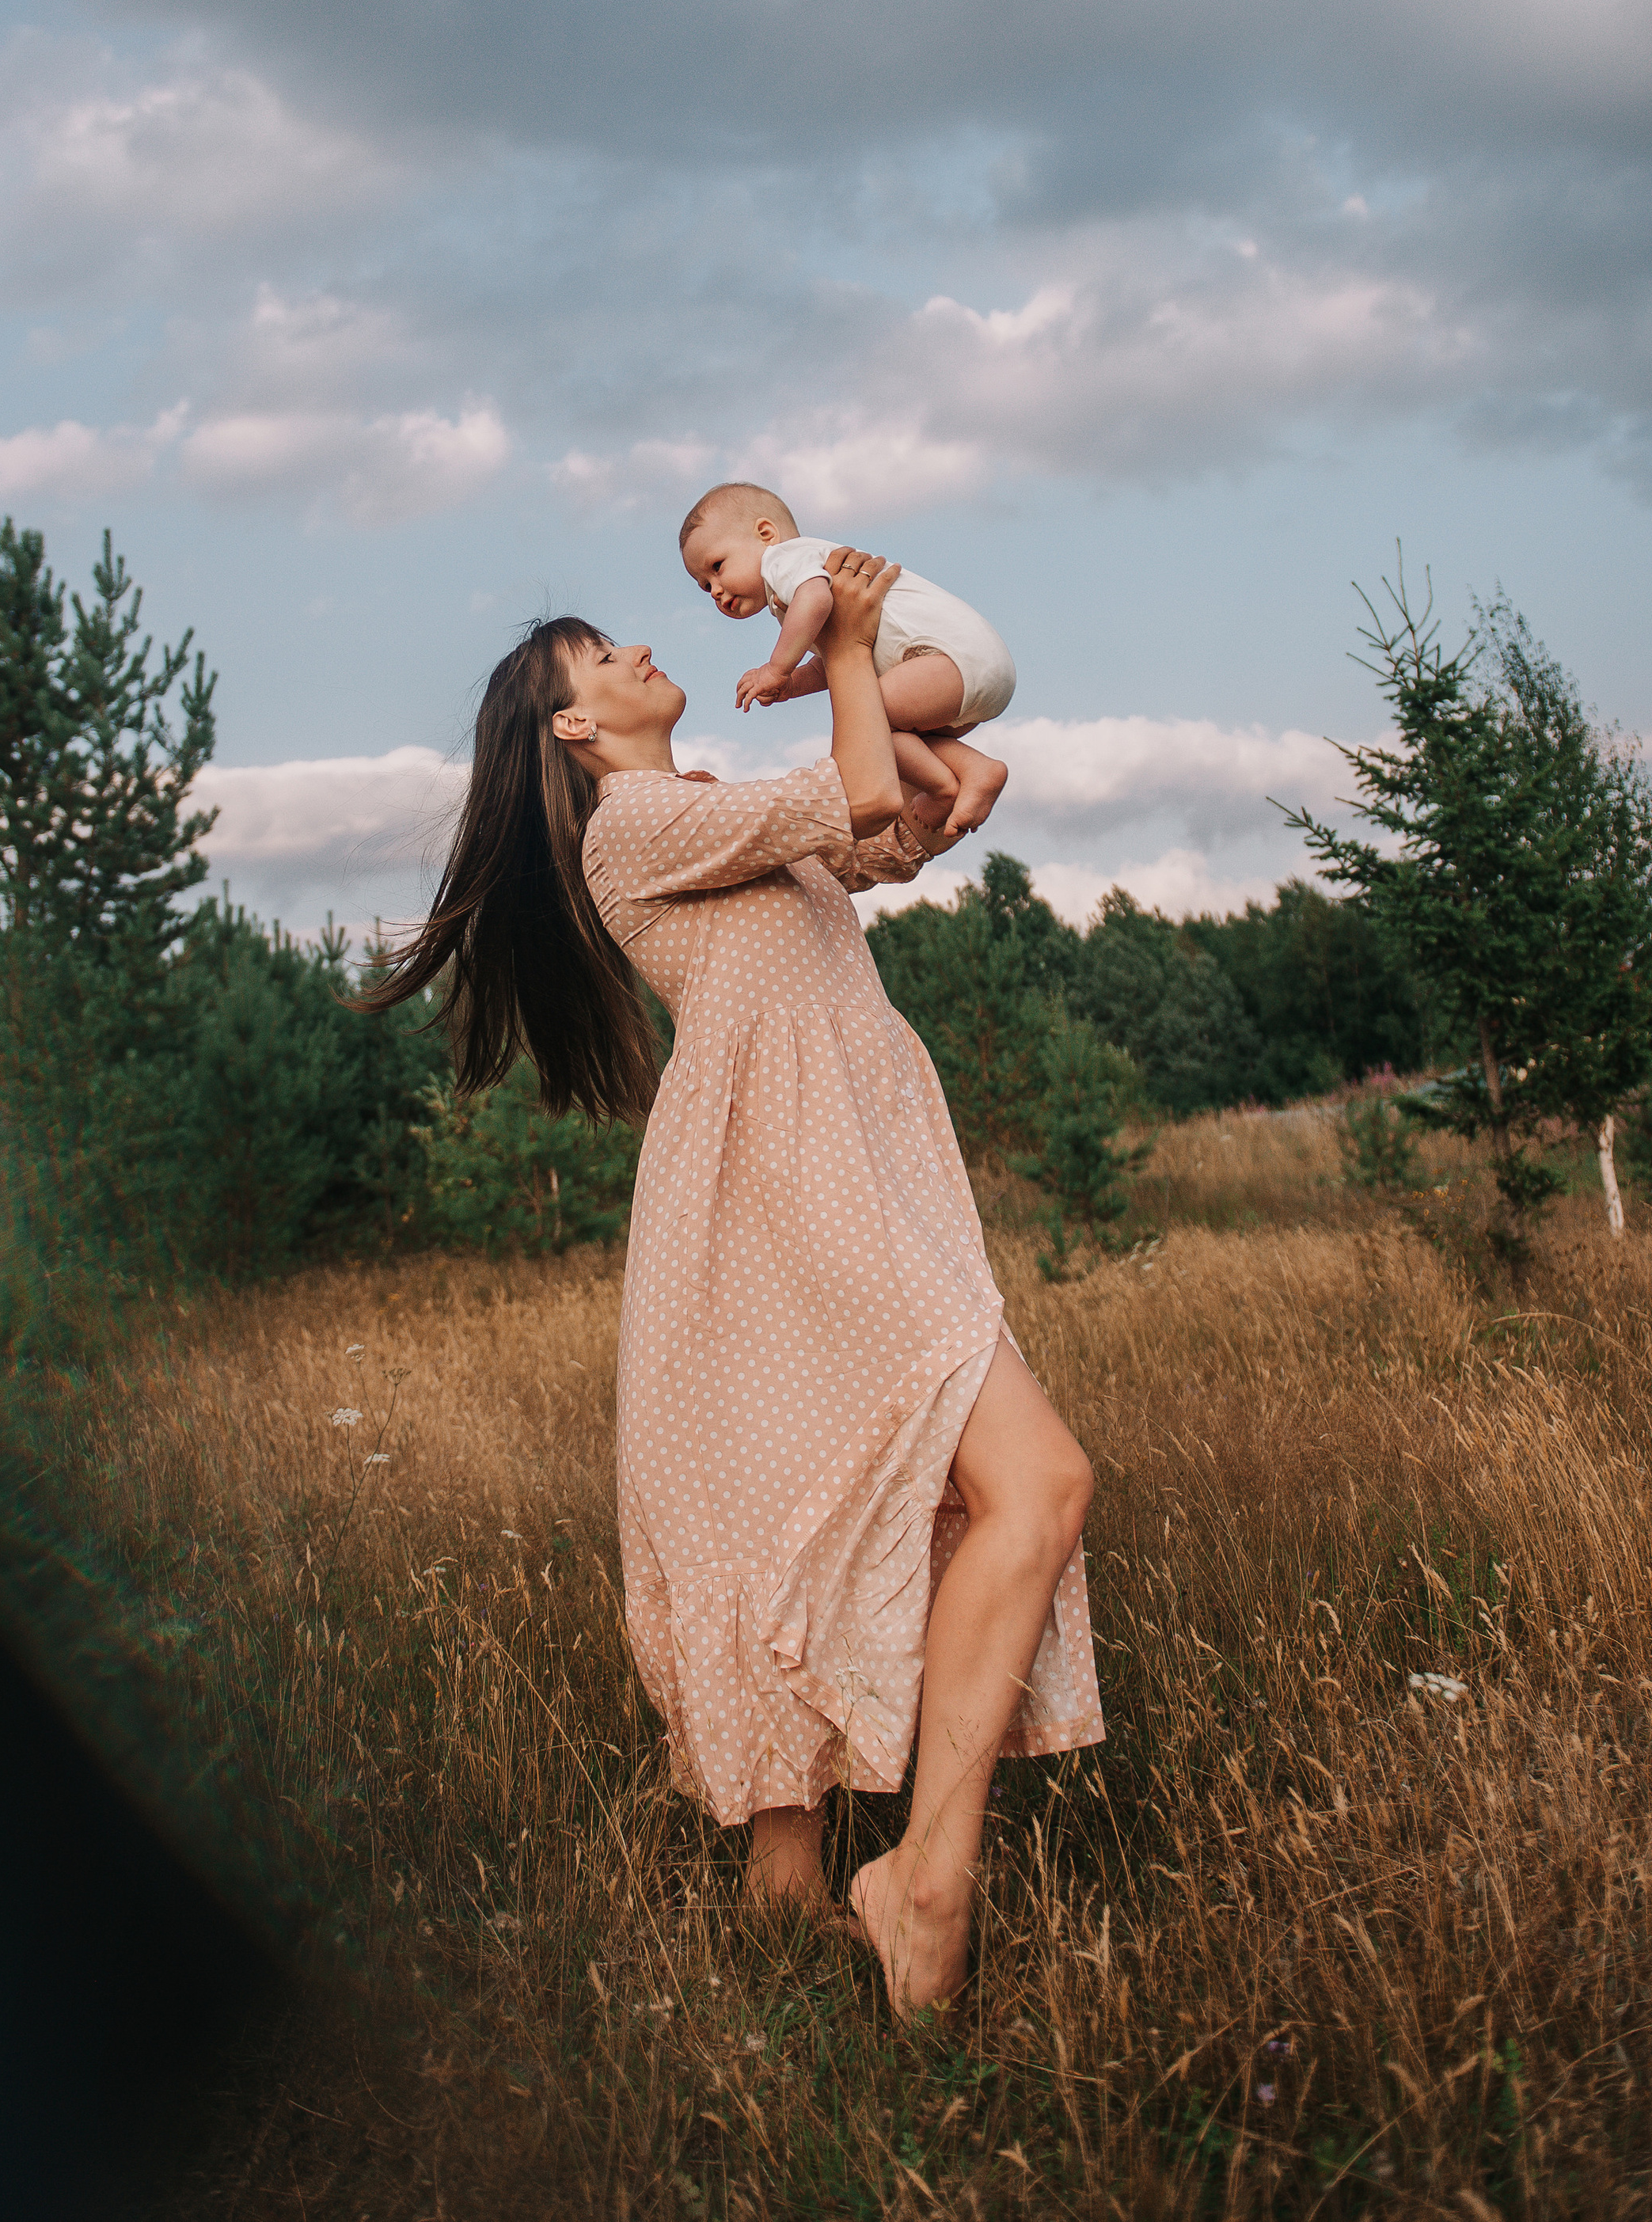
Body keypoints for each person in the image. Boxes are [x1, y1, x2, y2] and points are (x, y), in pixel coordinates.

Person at [363, 549, 1101, 2015]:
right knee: (1040, 1480)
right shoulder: (630, 825)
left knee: (821, 1503)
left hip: (838, 1163)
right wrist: (854, 644)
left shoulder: (697, 805)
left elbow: (885, 834)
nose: (639, 647)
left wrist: (943, 751)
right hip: (797, 1178)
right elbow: (851, 801)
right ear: (575, 728)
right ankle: (927, 1881)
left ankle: (793, 1917)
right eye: (601, 656)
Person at [678, 481, 1014, 834]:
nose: (715, 589)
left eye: (717, 566)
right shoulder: (800, 583)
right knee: (879, 734)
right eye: (704, 586)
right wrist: (793, 684)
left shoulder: (783, 559)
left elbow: (816, 601)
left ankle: (943, 789)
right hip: (962, 668)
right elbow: (837, 657)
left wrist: (776, 669)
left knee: (865, 720)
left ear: (766, 533)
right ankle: (975, 769)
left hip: (947, 660)